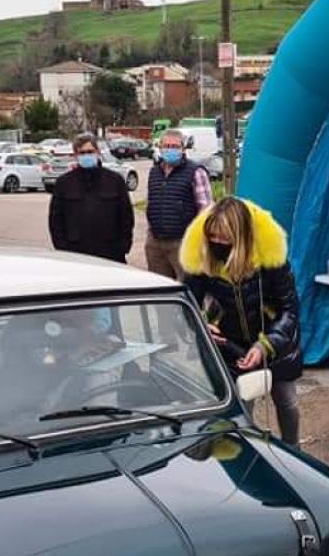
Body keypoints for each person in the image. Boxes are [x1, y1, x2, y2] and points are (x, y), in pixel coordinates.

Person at [181, 196, 303, 445]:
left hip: (275, 345)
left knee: (287, 401)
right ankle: (246, 455)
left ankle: (294, 449)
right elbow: (188, 304)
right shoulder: (203, 260)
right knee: (240, 409)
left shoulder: (271, 261)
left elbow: (290, 309)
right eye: (212, 237)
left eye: (224, 238)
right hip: (232, 348)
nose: (217, 243)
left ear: (241, 237)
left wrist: (265, 345)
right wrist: (202, 322)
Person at [47, 133, 134, 263]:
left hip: (110, 252)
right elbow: (56, 220)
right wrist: (62, 248)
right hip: (75, 253)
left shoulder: (115, 181)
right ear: (75, 155)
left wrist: (122, 246)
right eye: (82, 153)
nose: (86, 155)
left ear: (98, 152)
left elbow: (126, 217)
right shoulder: (64, 183)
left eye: (90, 151)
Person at [145, 129, 212, 279]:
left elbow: (205, 211)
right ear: (160, 148)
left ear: (183, 149)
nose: (170, 150)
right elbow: (151, 203)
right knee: (159, 290)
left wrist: (199, 243)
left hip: (183, 243)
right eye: (166, 146)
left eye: (175, 146)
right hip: (156, 243)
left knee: (188, 288)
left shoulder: (196, 172)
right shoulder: (154, 173)